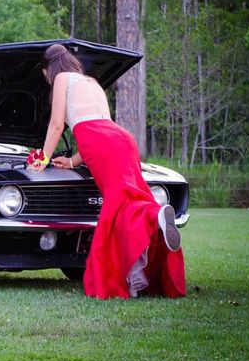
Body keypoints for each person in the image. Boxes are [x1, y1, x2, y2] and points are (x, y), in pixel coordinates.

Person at [34, 43, 185, 299]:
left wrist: (42, 158)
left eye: (45, 74)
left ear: (49, 69)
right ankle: (141, 259)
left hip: (99, 142)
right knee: (130, 198)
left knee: (118, 206)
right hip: (122, 140)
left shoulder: (60, 78)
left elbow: (57, 124)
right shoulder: (91, 82)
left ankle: (152, 219)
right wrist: (72, 162)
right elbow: (96, 122)